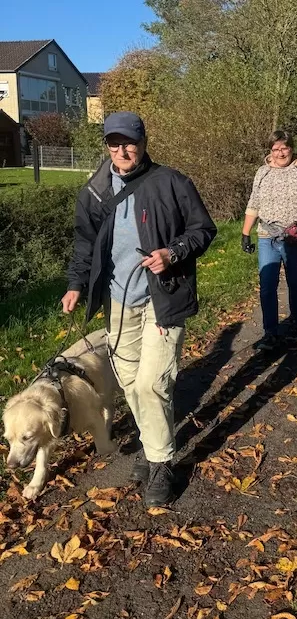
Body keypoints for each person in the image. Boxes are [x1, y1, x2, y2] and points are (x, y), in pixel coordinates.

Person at [61, 111, 217, 507]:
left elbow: (203, 230)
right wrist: (77, 284)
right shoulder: (95, 192)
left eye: (129, 142)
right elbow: (85, 244)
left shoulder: (171, 182)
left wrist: (173, 252)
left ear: (144, 142)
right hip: (118, 301)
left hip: (163, 297)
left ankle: (162, 462)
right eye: (114, 143)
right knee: (129, 382)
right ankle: (152, 448)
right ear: (107, 146)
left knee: (151, 383)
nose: (122, 150)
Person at [241, 129, 297, 353]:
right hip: (268, 235)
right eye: (275, 148)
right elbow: (253, 202)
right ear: (270, 150)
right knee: (267, 284)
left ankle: (296, 326)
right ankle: (270, 333)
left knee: (295, 282)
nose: (280, 152)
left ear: (292, 148)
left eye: (284, 148)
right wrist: (245, 232)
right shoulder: (262, 172)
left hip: (295, 236)